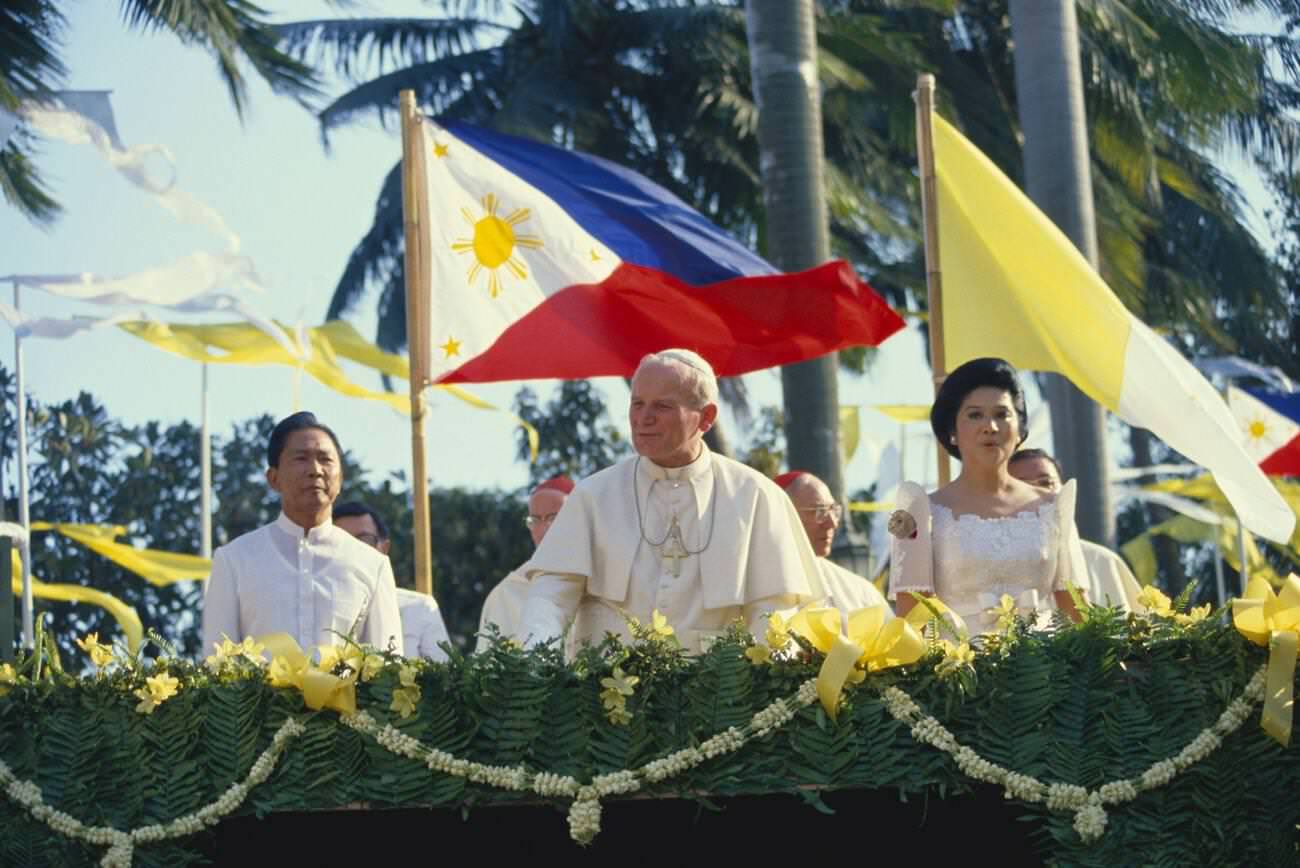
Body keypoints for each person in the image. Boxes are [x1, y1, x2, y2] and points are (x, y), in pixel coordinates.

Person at [518, 349, 824, 654]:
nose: (643, 418)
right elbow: (551, 596)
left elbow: (773, 609)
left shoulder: (755, 495)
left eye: (662, 406)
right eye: (637, 404)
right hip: (605, 692)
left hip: (716, 695)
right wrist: (532, 667)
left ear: (706, 417)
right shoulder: (593, 495)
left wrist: (769, 686)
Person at [888, 358, 1084, 635]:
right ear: (952, 431)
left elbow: (1078, 613)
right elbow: (910, 622)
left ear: (1020, 428)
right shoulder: (915, 511)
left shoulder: (1055, 507)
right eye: (975, 415)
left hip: (1046, 671)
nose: (990, 426)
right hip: (958, 670)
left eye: (1002, 414)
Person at [201, 412, 403, 656]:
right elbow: (216, 664)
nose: (315, 470)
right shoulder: (234, 560)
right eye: (301, 459)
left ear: (340, 478)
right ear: (273, 478)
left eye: (325, 459)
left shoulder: (373, 565)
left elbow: (388, 666)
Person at [1008, 449, 1143, 612]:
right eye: (1022, 486)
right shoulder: (989, 560)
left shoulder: (1102, 560)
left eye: (1045, 483)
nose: (1037, 494)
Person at [334, 500, 451, 660]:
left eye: (365, 540)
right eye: (344, 543)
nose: (356, 551)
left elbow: (444, 679)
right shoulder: (315, 608)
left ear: (384, 548)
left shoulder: (420, 608)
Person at [475, 476, 573, 652]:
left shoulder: (606, 578)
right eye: (535, 520)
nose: (545, 528)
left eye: (553, 517)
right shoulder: (505, 594)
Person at [775, 470, 891, 615]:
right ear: (785, 514)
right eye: (819, 511)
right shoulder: (761, 582)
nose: (832, 523)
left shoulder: (861, 591)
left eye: (833, 510)